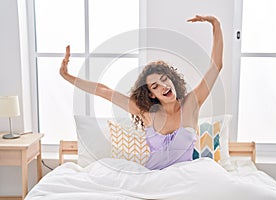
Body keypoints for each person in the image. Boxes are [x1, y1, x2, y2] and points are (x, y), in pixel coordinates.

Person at [60, 15, 223, 170]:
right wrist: (67, 76)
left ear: (172, 80)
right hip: (152, 178)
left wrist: (215, 23)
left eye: (165, 79)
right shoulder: (146, 113)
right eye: (155, 86)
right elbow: (105, 91)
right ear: (151, 94)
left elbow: (215, 66)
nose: (163, 86)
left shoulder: (191, 105)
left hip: (185, 178)